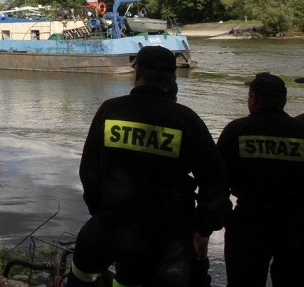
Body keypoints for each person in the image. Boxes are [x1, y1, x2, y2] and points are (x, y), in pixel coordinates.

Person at [68, 46, 229, 287]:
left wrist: (101, 212)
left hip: (113, 224)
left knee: (83, 273)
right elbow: (215, 181)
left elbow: (89, 170)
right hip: (168, 233)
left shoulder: (110, 110)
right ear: (172, 80)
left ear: (137, 74)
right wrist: (203, 229)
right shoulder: (187, 119)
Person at [217, 72, 304, 286]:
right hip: (296, 224)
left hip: (249, 220)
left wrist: (221, 218)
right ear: (284, 100)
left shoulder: (236, 130)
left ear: (253, 98)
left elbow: (217, 180)